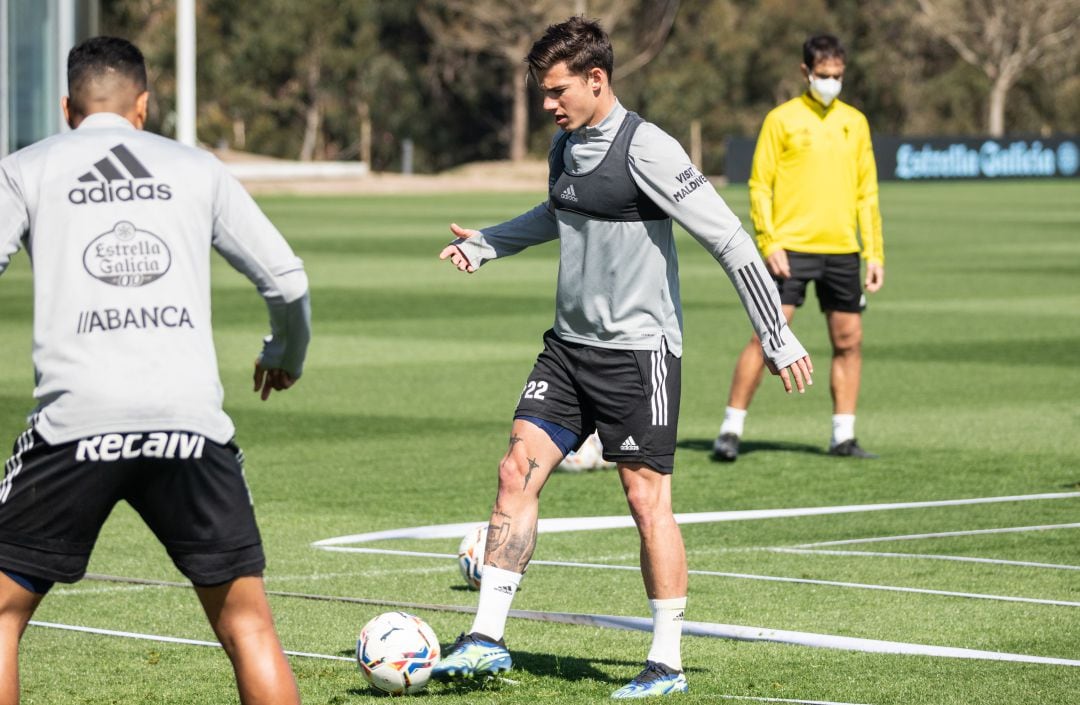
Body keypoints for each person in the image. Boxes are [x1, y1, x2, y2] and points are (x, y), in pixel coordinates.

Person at [433, 17, 812, 699]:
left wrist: (776, 334)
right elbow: (557, 212)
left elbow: (729, 240)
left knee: (645, 499)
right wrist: (489, 242)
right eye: (543, 92)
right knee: (515, 469)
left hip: (640, 355)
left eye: (556, 91)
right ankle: (486, 638)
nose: (548, 104)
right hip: (567, 351)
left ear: (596, 79)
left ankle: (666, 659)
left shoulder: (650, 150)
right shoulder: (565, 146)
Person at [0, 37, 310, 705]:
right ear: (143, 106)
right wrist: (284, 354)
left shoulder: (27, 167)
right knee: (247, 623)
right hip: (190, 422)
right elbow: (286, 280)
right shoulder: (196, 167)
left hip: (76, 421)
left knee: (1, 614)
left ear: (67, 106)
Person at [713, 34, 884, 463]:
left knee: (849, 340)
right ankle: (730, 429)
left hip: (843, 250)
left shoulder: (855, 122)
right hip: (790, 250)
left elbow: (867, 193)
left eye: (838, 76)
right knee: (766, 336)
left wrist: (874, 253)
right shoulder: (781, 120)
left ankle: (842, 435)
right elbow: (760, 185)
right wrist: (769, 242)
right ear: (805, 72)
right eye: (824, 75)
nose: (831, 83)